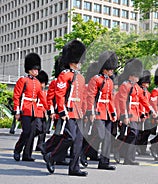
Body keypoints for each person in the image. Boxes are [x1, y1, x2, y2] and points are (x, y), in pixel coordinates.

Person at [44, 39, 88, 176]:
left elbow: (83, 97)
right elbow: (60, 94)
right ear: (72, 61)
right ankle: (52, 156)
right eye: (78, 61)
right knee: (70, 137)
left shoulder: (81, 78)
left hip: (78, 113)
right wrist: (61, 110)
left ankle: (74, 168)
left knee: (78, 142)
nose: (80, 64)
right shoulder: (64, 75)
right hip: (68, 112)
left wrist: (85, 112)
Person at [116, 59, 156, 165]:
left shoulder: (137, 87)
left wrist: (151, 111)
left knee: (133, 136)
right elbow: (123, 101)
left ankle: (129, 157)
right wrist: (124, 115)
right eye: (136, 76)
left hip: (136, 115)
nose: (138, 78)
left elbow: (144, 101)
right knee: (131, 134)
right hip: (129, 114)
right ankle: (121, 152)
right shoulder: (125, 85)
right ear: (131, 75)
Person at [83, 51, 118, 170]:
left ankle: (104, 162)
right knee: (100, 135)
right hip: (98, 110)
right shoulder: (95, 79)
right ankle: (83, 151)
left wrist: (113, 112)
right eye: (110, 68)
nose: (112, 71)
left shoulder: (110, 81)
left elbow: (111, 99)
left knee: (108, 138)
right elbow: (91, 97)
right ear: (105, 68)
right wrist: (90, 111)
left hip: (107, 111)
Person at [13, 53, 47, 162]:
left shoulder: (37, 83)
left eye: (37, 69)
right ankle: (17, 150)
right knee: (26, 132)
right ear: (29, 69)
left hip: (34, 111)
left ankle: (27, 154)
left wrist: (49, 109)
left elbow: (42, 97)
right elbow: (17, 96)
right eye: (34, 69)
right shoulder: (22, 80)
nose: (36, 71)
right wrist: (17, 111)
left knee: (33, 132)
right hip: (25, 109)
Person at [136, 70, 153, 155]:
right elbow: (138, 103)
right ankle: (137, 147)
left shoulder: (148, 93)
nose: (147, 84)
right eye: (146, 82)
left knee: (147, 132)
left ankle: (143, 148)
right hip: (139, 114)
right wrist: (140, 113)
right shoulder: (138, 90)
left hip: (146, 115)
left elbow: (148, 104)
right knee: (138, 133)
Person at [34, 70, 49, 152]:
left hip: (42, 113)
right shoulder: (35, 91)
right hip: (36, 112)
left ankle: (40, 145)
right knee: (38, 129)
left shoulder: (44, 92)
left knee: (43, 130)